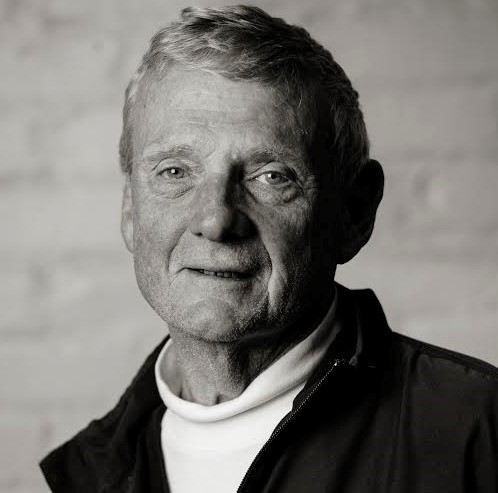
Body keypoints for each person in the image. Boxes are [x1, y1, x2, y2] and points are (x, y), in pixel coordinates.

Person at [40, 6, 498, 492]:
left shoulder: (475, 431)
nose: (216, 220)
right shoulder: (94, 471)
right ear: (130, 209)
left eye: (271, 176)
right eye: (174, 172)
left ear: (355, 212)